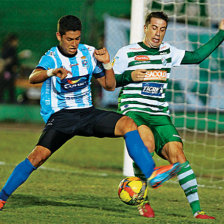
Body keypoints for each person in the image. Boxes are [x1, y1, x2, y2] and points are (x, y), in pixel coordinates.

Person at [0, 15, 182, 211]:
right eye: (69, 39)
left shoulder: (88, 53)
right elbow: (33, 77)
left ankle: (151, 173)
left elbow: (109, 85)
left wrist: (107, 64)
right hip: (62, 116)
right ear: (59, 36)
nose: (74, 43)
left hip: (87, 113)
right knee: (37, 157)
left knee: (128, 123)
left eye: (77, 38)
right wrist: (52, 72)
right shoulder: (51, 57)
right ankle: (2, 197)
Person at [113, 11, 224, 219]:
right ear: (146, 28)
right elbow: (111, 82)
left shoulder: (168, 52)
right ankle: (143, 201)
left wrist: (221, 33)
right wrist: (129, 76)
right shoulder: (127, 52)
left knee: (178, 155)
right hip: (134, 111)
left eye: (162, 29)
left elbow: (197, 57)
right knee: (146, 145)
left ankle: (197, 211)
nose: (157, 33)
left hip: (159, 114)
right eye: (154, 28)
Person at [0, 34, 19, 103]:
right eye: (16, 41)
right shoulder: (10, 49)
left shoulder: (6, 48)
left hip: (7, 71)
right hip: (8, 71)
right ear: (13, 41)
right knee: (7, 84)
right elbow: (9, 60)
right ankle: (11, 99)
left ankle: (8, 99)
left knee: (6, 84)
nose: (17, 43)